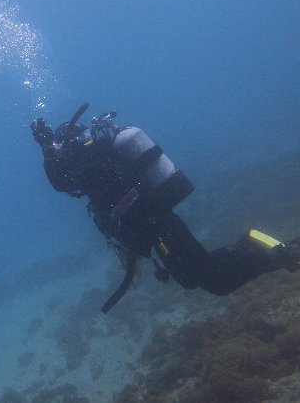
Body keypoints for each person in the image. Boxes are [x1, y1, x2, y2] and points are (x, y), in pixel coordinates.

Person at [31, 103, 300, 313]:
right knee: (194, 277)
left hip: (158, 226)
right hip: (154, 228)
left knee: (215, 281)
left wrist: (46, 148)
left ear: (75, 144)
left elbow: (60, 182)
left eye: (63, 150)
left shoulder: (98, 158)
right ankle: (252, 244)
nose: (63, 157)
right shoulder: (95, 163)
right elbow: (64, 182)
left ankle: (286, 252)